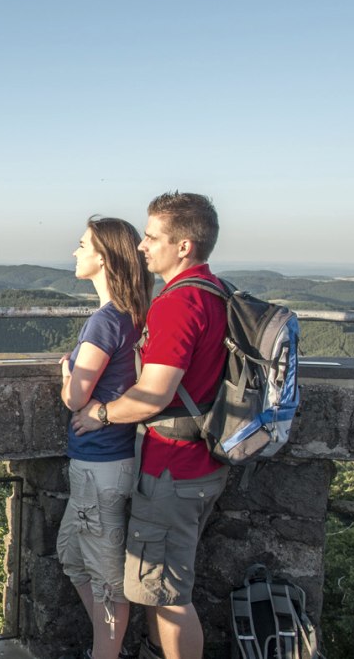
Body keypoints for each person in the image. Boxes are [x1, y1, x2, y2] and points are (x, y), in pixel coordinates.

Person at [70, 192, 227, 659]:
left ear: (183, 246)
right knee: (162, 591)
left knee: (170, 597)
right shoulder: (216, 292)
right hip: (202, 462)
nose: (143, 246)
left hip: (173, 469)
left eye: (153, 236)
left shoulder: (178, 304)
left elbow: (154, 393)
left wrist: (98, 413)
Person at [56, 215, 153, 659]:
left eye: (81, 245)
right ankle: (107, 646)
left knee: (107, 582)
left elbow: (76, 398)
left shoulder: (105, 320)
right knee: (72, 557)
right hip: (105, 465)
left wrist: (65, 373)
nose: (74, 252)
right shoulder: (134, 314)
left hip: (100, 467)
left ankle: (106, 654)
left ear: (103, 258)